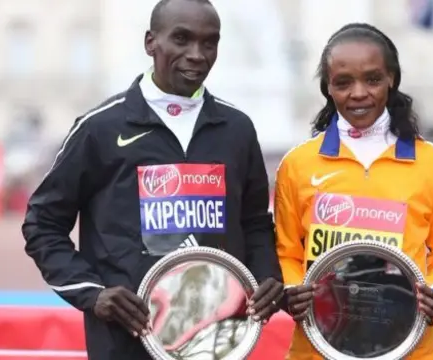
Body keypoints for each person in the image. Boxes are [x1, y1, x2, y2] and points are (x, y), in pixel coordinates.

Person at [22, 0, 284, 359]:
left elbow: (255, 223)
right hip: (125, 344)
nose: (197, 54)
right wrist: (93, 293)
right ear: (150, 42)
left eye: (210, 43)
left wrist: (267, 275)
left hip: (218, 342)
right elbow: (43, 223)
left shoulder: (237, 129)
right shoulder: (100, 128)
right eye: (181, 39)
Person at [275, 23, 433, 359]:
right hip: (318, 347)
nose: (359, 93)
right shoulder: (298, 164)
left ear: (392, 79)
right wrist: (291, 289)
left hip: (407, 346)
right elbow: (286, 252)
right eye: (343, 82)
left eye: (373, 79)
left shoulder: (432, 163)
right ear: (328, 87)